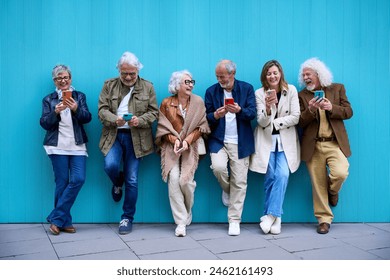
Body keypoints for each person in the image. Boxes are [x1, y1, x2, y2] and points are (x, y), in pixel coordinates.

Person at [98, 51, 158, 235]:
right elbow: (102, 110)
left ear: (138, 70)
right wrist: (114, 119)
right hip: (114, 134)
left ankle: (126, 218)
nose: (128, 77)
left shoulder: (147, 86)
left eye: (132, 73)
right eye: (124, 73)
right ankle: (117, 182)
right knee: (110, 166)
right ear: (119, 70)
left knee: (132, 180)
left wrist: (139, 120)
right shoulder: (109, 85)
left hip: (137, 138)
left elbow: (154, 112)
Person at [298, 57, 353, 234]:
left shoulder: (337, 89)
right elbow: (299, 121)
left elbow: (348, 112)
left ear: (319, 74)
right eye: (303, 75)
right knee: (317, 183)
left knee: (341, 172)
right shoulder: (302, 95)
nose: (305, 77)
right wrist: (311, 110)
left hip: (334, 143)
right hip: (313, 145)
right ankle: (324, 220)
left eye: (309, 74)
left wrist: (331, 108)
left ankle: (333, 190)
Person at [155, 70, 210, 237]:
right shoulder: (166, 103)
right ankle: (181, 222)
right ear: (177, 85)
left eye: (192, 81)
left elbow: (202, 126)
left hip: (191, 146)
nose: (191, 84)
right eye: (187, 82)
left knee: (185, 181)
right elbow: (162, 128)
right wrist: (175, 140)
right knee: (173, 181)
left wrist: (186, 141)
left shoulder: (198, 102)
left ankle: (186, 211)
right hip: (171, 147)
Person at [205, 59, 256, 236]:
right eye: (217, 76)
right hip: (218, 139)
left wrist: (240, 110)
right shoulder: (211, 91)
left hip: (240, 141)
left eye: (223, 76)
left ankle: (234, 220)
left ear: (232, 74)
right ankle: (228, 190)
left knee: (240, 181)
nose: (220, 79)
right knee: (218, 168)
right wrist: (215, 115)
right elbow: (206, 117)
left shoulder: (247, 88)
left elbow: (252, 113)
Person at [249, 60, 301, 235]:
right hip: (266, 141)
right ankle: (276, 220)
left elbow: (295, 117)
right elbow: (261, 122)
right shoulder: (259, 93)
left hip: (286, 141)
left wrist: (276, 122)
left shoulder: (291, 90)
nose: (272, 76)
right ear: (265, 76)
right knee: (271, 177)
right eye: (269, 73)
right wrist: (269, 108)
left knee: (283, 174)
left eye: (275, 72)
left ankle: (270, 216)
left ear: (280, 74)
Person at [40, 64, 92, 235]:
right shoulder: (49, 99)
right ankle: (64, 221)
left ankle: (56, 218)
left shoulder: (79, 96)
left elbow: (87, 118)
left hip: (77, 145)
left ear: (70, 78)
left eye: (66, 77)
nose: (63, 80)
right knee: (61, 183)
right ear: (54, 81)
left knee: (78, 179)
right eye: (59, 78)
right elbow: (45, 123)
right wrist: (55, 112)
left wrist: (76, 108)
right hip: (57, 146)